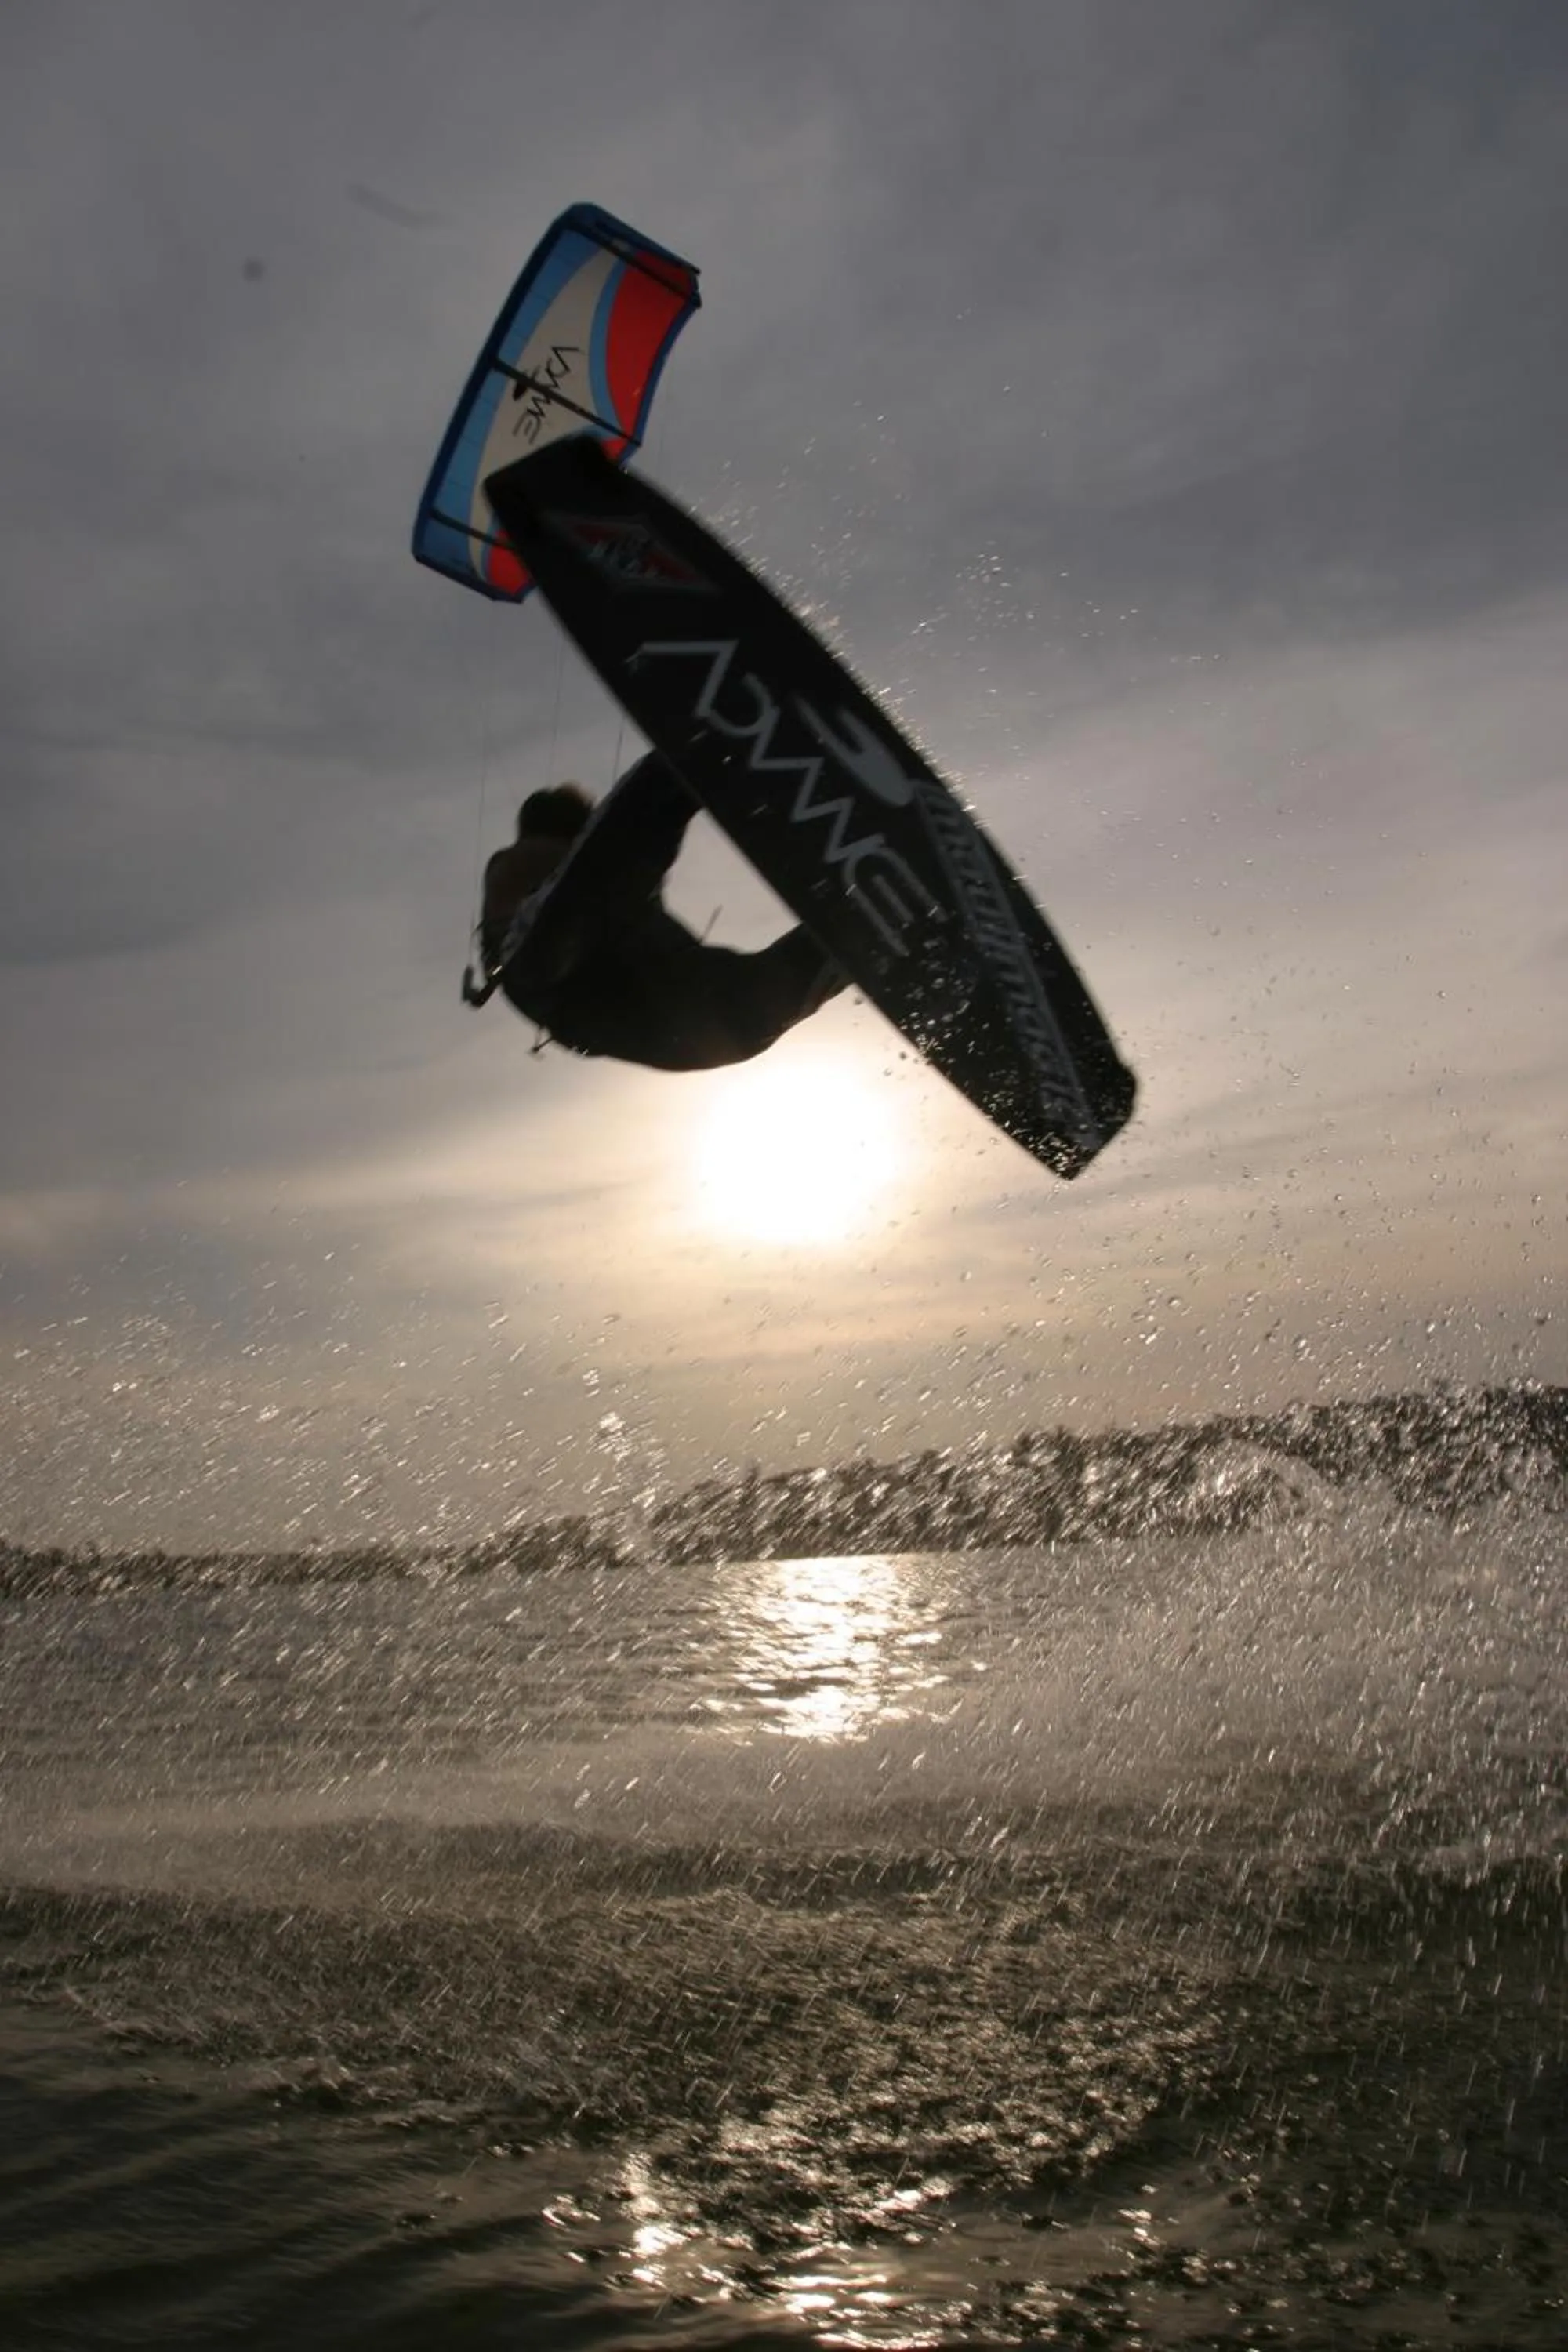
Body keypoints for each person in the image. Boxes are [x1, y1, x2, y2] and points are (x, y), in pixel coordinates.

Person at [473, 752, 845, 1070]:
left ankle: (853, 936)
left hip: (636, 999)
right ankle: (688, 757)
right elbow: (585, 868)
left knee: (745, 1018)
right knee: (738, 1022)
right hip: (555, 971)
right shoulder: (516, 863)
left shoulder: (616, 891)